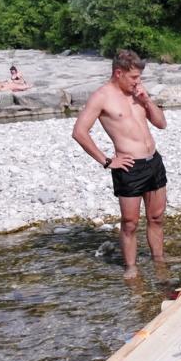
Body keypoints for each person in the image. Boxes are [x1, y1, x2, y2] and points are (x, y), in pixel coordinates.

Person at [71, 49, 168, 280]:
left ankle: (159, 260)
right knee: (130, 223)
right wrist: (107, 161)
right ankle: (131, 267)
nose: (138, 82)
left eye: (139, 77)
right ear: (118, 73)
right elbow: (79, 132)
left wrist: (147, 100)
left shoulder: (137, 94)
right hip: (128, 167)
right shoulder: (102, 97)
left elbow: (161, 123)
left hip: (153, 162)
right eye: (134, 77)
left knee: (157, 218)